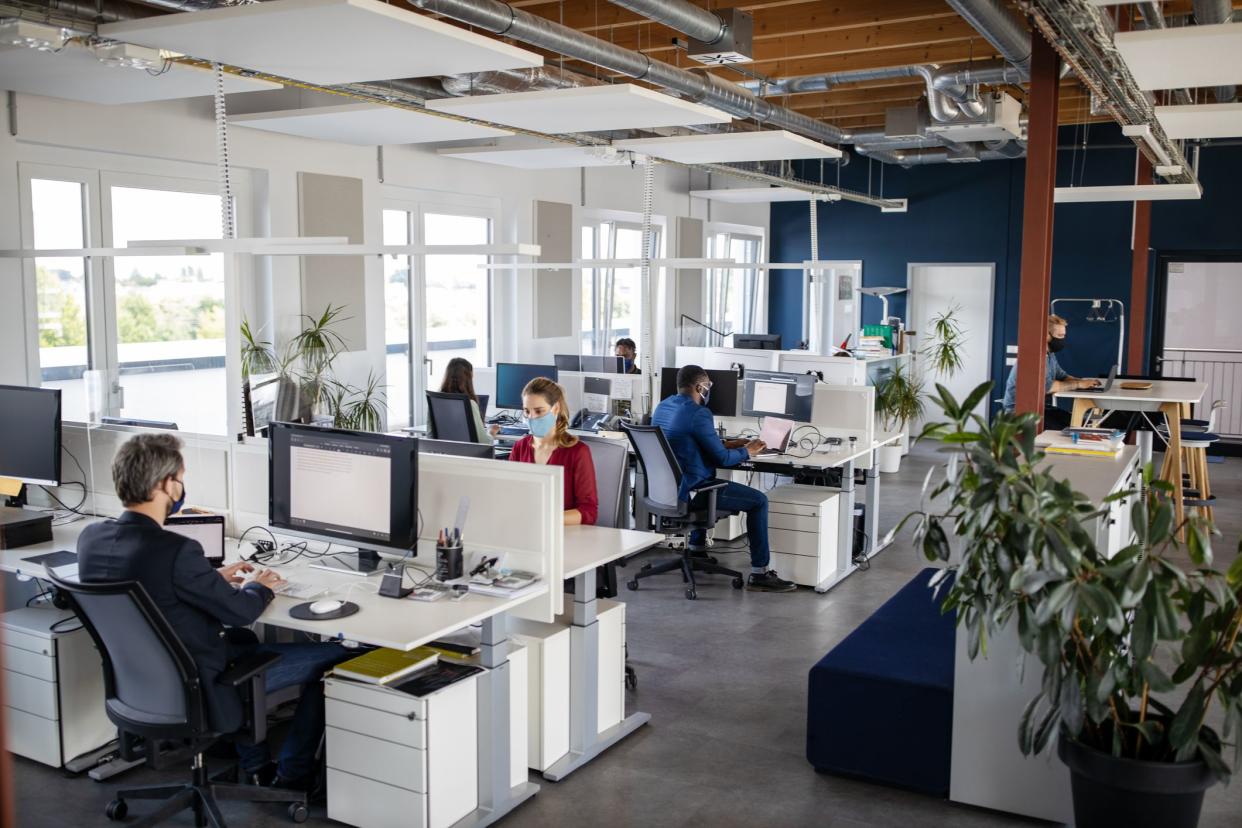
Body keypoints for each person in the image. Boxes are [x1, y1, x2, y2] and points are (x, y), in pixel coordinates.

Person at [77, 434, 350, 792]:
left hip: (143, 686)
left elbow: (154, 589)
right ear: (165, 484)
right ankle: (292, 775)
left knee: (246, 640)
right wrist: (260, 584)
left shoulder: (91, 539)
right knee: (337, 659)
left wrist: (208, 578)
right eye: (180, 479)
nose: (182, 487)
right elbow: (240, 610)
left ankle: (255, 767)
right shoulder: (177, 550)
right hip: (201, 685)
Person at [651, 365, 796, 593]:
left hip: (668, 491)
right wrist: (749, 451)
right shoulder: (699, 413)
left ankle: (697, 548)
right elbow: (722, 459)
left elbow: (687, 443)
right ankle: (760, 574)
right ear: (700, 387)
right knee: (759, 501)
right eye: (707, 386)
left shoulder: (663, 406)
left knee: (707, 476)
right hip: (693, 492)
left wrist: (730, 444)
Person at [507, 377, 599, 525]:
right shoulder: (520, 447)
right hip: (525, 530)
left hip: (565, 534)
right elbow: (509, 497)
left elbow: (589, 511)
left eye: (538, 411)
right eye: (527, 411)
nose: (532, 417)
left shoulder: (578, 452)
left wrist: (546, 519)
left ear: (555, 408)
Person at [1001, 314, 1100, 429]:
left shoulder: (1049, 354)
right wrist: (1078, 384)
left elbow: (1061, 375)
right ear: (1046, 335)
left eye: (1064, 335)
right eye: (1060, 335)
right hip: (1019, 413)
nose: (1062, 339)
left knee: (1079, 422)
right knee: (1070, 428)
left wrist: (1084, 382)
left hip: (1040, 408)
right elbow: (1047, 387)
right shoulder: (1033, 356)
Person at [439, 357, 497, 442]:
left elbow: (430, 436)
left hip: (440, 453)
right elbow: (484, 442)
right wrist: (491, 432)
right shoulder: (469, 404)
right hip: (468, 454)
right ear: (468, 379)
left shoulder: (435, 401)